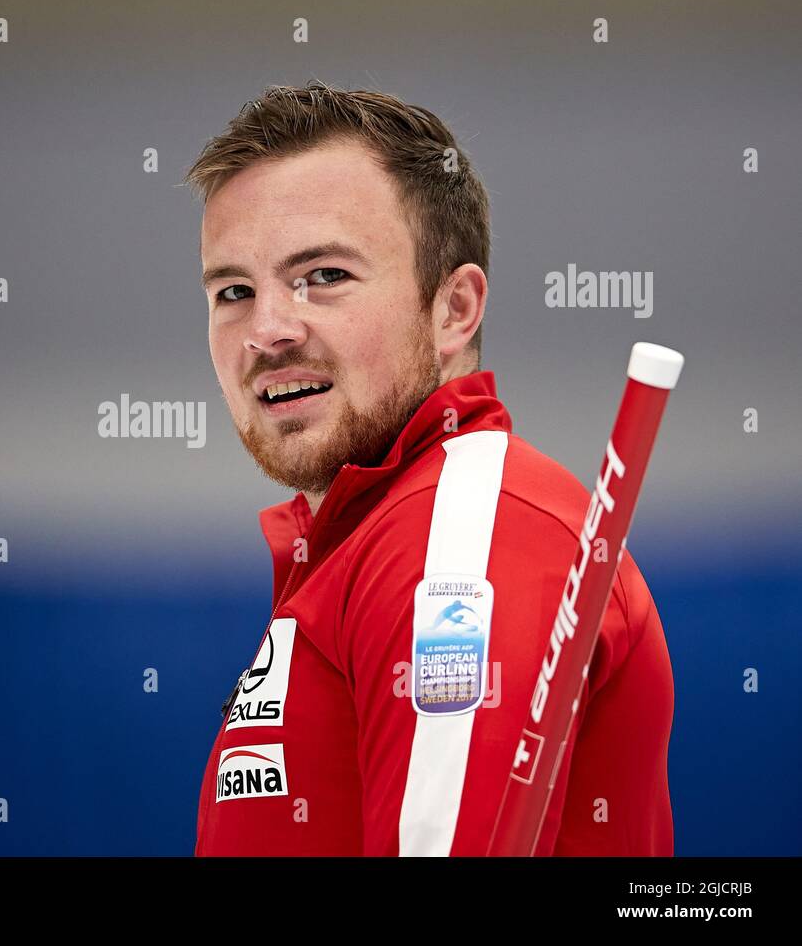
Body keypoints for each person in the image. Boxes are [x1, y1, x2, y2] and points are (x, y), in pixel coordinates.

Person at [187, 82, 674, 856]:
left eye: (325, 276)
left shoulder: (459, 542)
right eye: (235, 291)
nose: (268, 330)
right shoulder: (367, 538)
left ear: (454, 310)